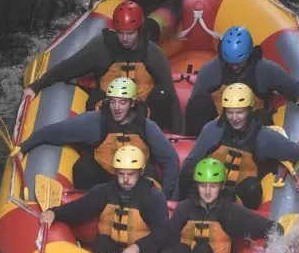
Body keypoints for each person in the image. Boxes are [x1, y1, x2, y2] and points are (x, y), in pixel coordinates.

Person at [20, 0, 182, 133]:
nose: (125, 39)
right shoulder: (101, 48)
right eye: (121, 33)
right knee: (95, 102)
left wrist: (177, 136)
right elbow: (66, 69)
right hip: (111, 111)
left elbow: (171, 98)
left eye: (130, 33)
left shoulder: (154, 53)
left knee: (162, 95)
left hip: (143, 113)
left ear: (139, 30)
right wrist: (35, 87)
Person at [14, 77, 179, 197]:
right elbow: (51, 132)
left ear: (132, 103)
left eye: (122, 102)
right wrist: (24, 148)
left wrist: (166, 196)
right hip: (105, 177)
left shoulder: (148, 127)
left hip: (136, 179)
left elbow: (170, 160)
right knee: (83, 169)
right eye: (113, 102)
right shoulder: (94, 121)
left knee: (150, 174)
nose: (116, 108)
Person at [178, 83, 299, 210]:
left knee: (251, 188)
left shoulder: (263, 136)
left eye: (239, 112)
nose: (234, 118)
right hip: (209, 189)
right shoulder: (211, 130)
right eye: (230, 112)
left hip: (240, 198)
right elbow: (191, 163)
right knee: (188, 171)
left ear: (249, 110)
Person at [39, 145, 169, 253]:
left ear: (140, 172)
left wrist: (138, 246)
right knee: (102, 242)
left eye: (130, 174)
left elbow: (162, 233)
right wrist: (54, 213)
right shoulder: (105, 191)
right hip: (109, 252)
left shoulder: (154, 197)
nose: (125, 180)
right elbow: (78, 210)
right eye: (121, 174)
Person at [184, 25, 299, 137]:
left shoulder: (266, 70)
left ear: (249, 55)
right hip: (217, 124)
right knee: (198, 102)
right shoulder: (210, 70)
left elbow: (295, 88)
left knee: (263, 117)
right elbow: (195, 105)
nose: (235, 67)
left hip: (249, 126)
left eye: (239, 63)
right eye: (230, 63)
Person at [155, 158, 281, 253]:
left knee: (202, 250)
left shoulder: (231, 211)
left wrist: (270, 248)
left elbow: (271, 228)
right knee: (183, 249)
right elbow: (170, 242)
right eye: (203, 186)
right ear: (197, 186)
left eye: (213, 186)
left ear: (221, 186)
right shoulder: (183, 208)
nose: (208, 191)